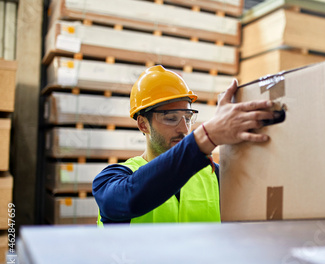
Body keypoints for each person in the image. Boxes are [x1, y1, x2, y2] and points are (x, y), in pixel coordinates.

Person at [92, 65, 276, 225]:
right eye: (171, 118)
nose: (184, 129)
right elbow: (130, 199)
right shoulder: (111, 180)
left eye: (187, 118)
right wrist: (206, 136)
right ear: (143, 124)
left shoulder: (216, 176)